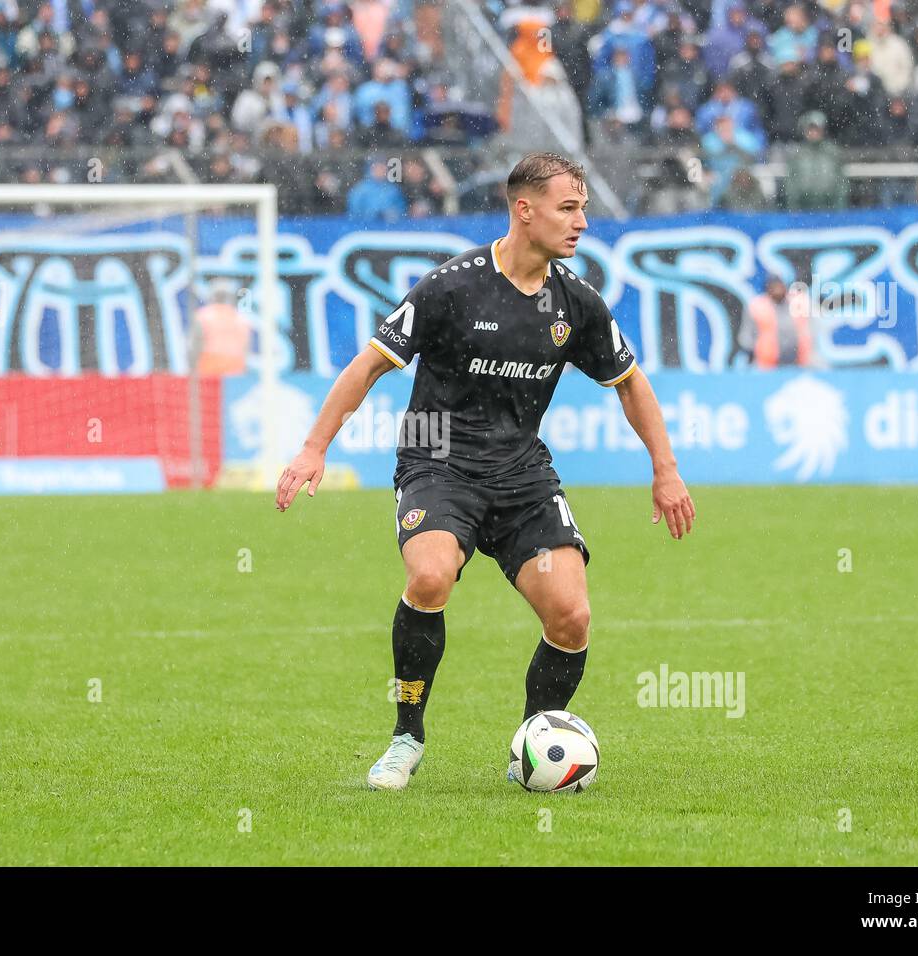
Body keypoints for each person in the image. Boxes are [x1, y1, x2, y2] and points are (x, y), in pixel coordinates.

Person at [274, 153, 695, 791]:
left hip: (522, 477)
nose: (581, 222)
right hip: (437, 461)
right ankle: (406, 737)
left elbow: (630, 383)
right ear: (524, 210)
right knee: (431, 574)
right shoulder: (452, 287)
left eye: (582, 208)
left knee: (571, 617)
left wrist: (665, 471)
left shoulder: (576, 303)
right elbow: (367, 366)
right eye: (568, 208)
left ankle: (533, 742)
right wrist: (314, 447)